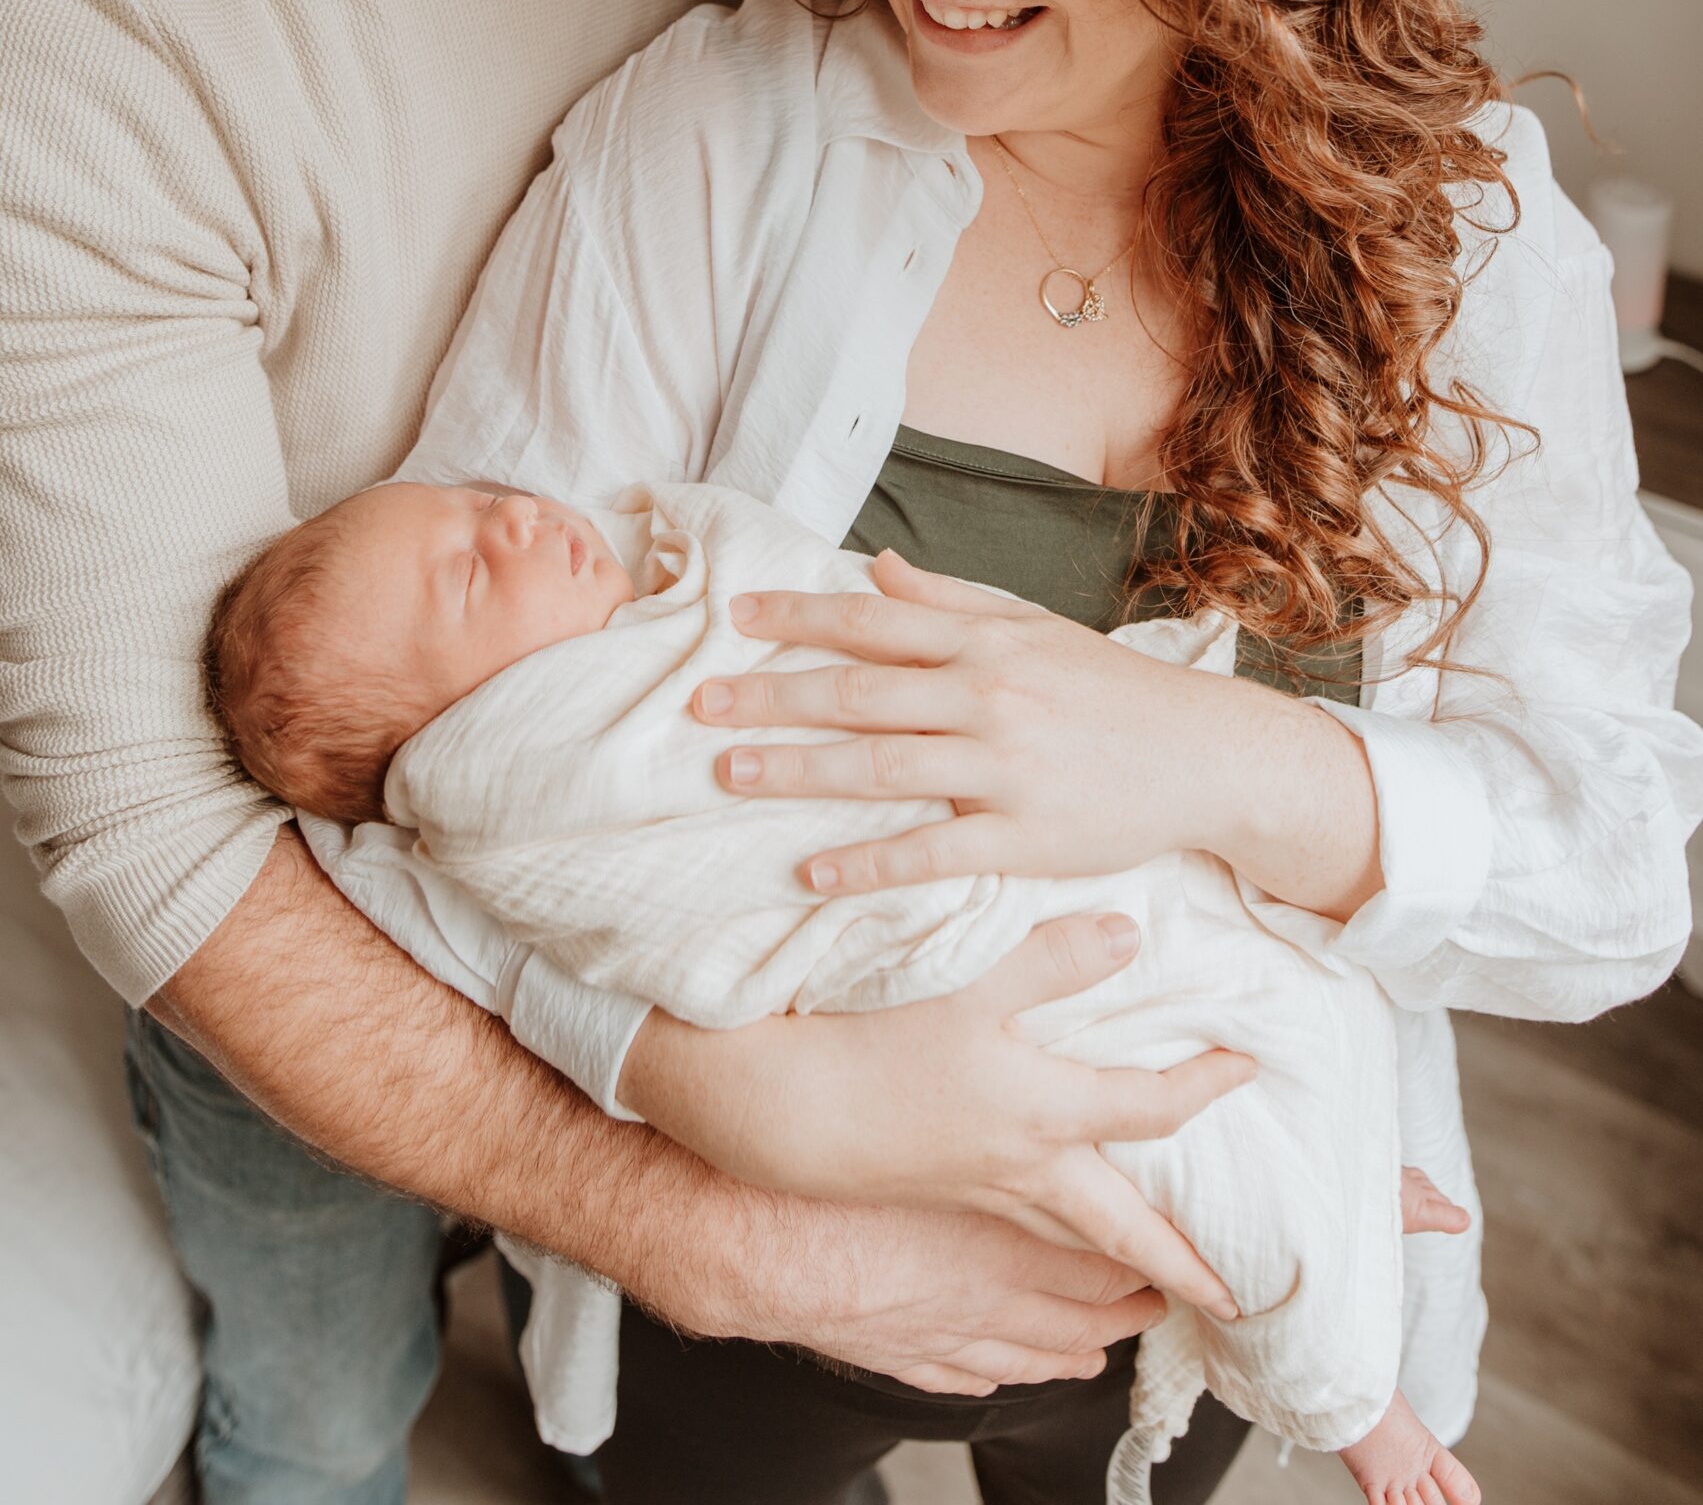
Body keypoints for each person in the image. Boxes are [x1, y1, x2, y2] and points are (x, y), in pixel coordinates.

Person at [0, 0, 1174, 1505]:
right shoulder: (82, 13)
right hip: (236, 886)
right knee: (199, 1418)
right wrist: (736, 1230)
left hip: (613, 803)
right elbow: (142, 814)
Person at [380, 0, 1703, 1503]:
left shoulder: (1463, 248)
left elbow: (1608, 874)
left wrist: (1187, 756)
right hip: (765, 1251)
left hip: (1210, 1249)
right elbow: (435, 761)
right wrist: (739, 1105)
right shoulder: (721, 148)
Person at [206, 468, 1482, 1505]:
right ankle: (1351, 1396)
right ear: (442, 732)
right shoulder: (528, 782)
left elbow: (779, 586)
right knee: (1193, 1142)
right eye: (473, 569)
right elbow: (615, 904)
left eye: (481, 496)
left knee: (1265, 1010)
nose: (522, 516)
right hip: (912, 998)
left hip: (1059, 898)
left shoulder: (651, 582)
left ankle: (1341, 1182)